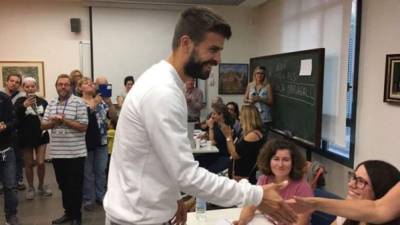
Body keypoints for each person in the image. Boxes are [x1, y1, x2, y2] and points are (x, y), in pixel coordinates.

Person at [104, 6, 297, 225]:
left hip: (140, 212)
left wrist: (172, 196)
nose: (218, 59)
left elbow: (157, 158)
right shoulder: (162, 92)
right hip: (138, 219)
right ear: (186, 43)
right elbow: (187, 175)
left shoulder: (161, 81)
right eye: (213, 49)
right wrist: (257, 195)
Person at [42, 74, 88, 225]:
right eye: (60, 84)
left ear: (71, 87)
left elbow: (83, 127)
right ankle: (68, 214)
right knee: (63, 186)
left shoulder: (79, 102)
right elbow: (43, 125)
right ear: (56, 86)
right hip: (57, 153)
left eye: (66, 84)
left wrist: (64, 120)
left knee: (75, 187)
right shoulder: (52, 102)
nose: (63, 87)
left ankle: (76, 217)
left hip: (75, 154)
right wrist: (54, 122)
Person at [289, 163, 400, 225]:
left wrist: (313, 204)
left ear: (380, 189)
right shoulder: (347, 213)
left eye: (360, 181)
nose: (351, 184)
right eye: (353, 177)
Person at [235, 139, 313, 225]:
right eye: (276, 159)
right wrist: (242, 222)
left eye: (286, 160)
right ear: (268, 161)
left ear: (293, 163)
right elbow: (250, 206)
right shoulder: (264, 179)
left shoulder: (303, 188)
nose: (280, 165)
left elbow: (300, 223)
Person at [78, 76, 117, 211]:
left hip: (102, 140)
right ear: (80, 88)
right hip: (85, 141)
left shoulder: (102, 101)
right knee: (87, 172)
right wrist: (94, 103)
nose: (90, 84)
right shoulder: (78, 102)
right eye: (86, 83)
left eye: (91, 83)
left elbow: (113, 117)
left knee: (100, 170)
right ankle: (88, 199)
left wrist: (110, 103)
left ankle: (101, 196)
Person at [14, 77, 52, 200]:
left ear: (36, 87)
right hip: (25, 137)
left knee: (41, 163)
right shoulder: (19, 101)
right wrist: (23, 106)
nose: (30, 89)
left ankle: (41, 186)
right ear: (23, 88)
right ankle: (31, 187)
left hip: (41, 135)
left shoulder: (42, 101)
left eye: (32, 86)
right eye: (27, 86)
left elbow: (48, 116)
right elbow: (14, 117)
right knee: (29, 164)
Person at [222, 104, 264, 184]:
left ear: (247, 118)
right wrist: (229, 138)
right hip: (236, 176)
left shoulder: (253, 135)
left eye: (241, 115)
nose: (239, 117)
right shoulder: (244, 133)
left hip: (243, 179)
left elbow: (235, 155)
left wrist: (228, 137)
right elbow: (231, 151)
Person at [1, 73, 26, 192]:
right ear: (6, 82)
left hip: (16, 130)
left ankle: (18, 180)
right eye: (12, 81)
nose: (14, 83)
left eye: (17, 82)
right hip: (2, 132)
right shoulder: (1, 96)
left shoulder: (22, 97)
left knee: (17, 156)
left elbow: (18, 115)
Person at [0, 91, 20, 225]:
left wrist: (6, 126)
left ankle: (11, 215)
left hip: (5, 148)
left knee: (10, 186)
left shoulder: (4, 98)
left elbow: (14, 120)